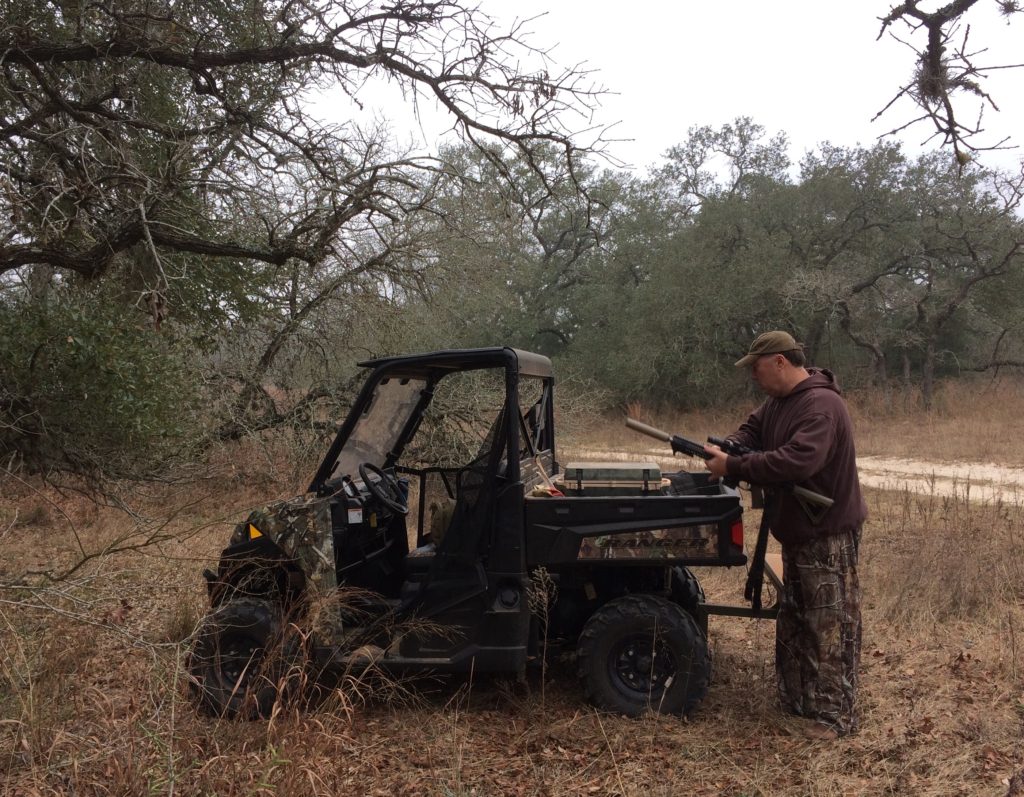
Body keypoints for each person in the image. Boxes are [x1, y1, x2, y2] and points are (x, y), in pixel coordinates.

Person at [703, 330, 867, 741]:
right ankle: (798, 700)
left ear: (779, 361)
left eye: (756, 368)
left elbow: (798, 461)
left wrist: (736, 467)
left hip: (827, 535)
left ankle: (835, 717)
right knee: (795, 618)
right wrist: (732, 446)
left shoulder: (822, 405)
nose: (753, 377)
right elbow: (752, 431)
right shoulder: (778, 402)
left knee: (829, 625)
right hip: (797, 533)